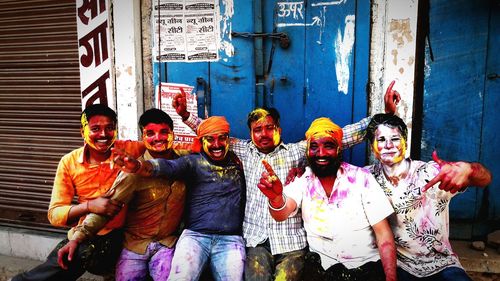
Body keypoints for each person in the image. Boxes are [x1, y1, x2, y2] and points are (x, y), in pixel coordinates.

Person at [171, 82, 401, 280]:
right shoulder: (242, 150)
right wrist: (184, 116)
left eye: (269, 128)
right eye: (257, 129)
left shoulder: (296, 151)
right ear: (250, 133)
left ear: (279, 129)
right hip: (256, 241)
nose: (263, 134)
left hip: (291, 243)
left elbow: (342, 135)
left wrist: (386, 114)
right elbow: (213, 134)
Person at [12, 104, 144, 281]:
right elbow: (55, 214)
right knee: (64, 260)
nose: (103, 135)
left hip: (125, 234)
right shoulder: (69, 162)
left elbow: (161, 145)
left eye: (110, 128)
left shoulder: (127, 150)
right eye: (95, 129)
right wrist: (90, 206)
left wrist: (187, 118)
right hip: (88, 235)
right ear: (83, 132)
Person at [256, 117, 397, 281]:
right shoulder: (304, 181)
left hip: (364, 269)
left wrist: (391, 277)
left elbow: (384, 234)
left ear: (339, 149)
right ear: (308, 151)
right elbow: (281, 213)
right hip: (320, 270)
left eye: (328, 146)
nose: (321, 153)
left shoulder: (361, 179)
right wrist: (276, 198)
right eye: (314, 147)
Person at [57, 108, 186, 280]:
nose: (157, 139)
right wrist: (77, 239)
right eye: (150, 133)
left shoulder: (187, 163)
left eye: (164, 132)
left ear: (172, 134)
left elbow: (210, 143)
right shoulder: (132, 171)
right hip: (134, 246)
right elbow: (108, 207)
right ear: (142, 138)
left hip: (168, 244)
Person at [112, 116, 246, 281]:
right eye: (210, 139)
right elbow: (168, 166)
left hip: (230, 239)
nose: (216, 145)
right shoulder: (193, 162)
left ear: (228, 140)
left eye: (222, 139)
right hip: (195, 237)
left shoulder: (240, 163)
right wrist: (140, 166)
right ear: (202, 141)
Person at [365, 113, 492, 281]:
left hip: (440, 264)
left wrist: (469, 169)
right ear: (372, 145)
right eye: (381, 140)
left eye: (395, 139)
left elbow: (485, 178)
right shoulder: (365, 178)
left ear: (405, 142)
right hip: (395, 264)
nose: (388, 145)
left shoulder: (430, 173)